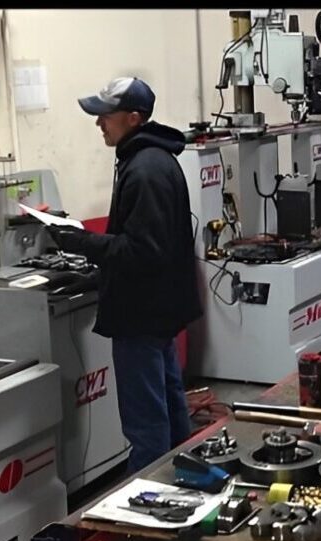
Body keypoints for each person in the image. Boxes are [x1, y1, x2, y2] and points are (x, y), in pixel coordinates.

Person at [47, 77, 203, 473]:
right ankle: (185, 477)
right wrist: (92, 263)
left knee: (146, 422)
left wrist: (78, 242)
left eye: (105, 116)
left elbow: (141, 250)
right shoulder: (151, 158)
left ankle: (148, 506)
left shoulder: (144, 169)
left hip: (141, 314)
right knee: (169, 401)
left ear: (133, 118)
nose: (99, 123)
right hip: (159, 309)